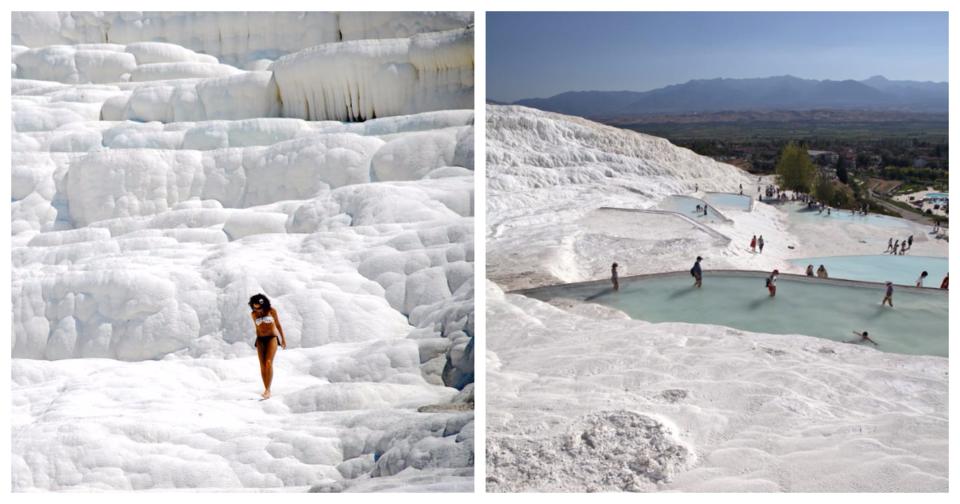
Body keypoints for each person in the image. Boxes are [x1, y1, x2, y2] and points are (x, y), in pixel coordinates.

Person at [249, 293, 287, 400]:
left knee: (268, 362)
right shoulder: (253, 314)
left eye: (259, 308)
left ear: (264, 305)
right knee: (262, 365)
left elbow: (278, 325)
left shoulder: (271, 311)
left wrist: (283, 339)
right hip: (260, 340)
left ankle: (268, 389)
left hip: (272, 338)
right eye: (255, 308)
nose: (258, 310)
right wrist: (257, 340)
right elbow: (257, 328)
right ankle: (266, 390)